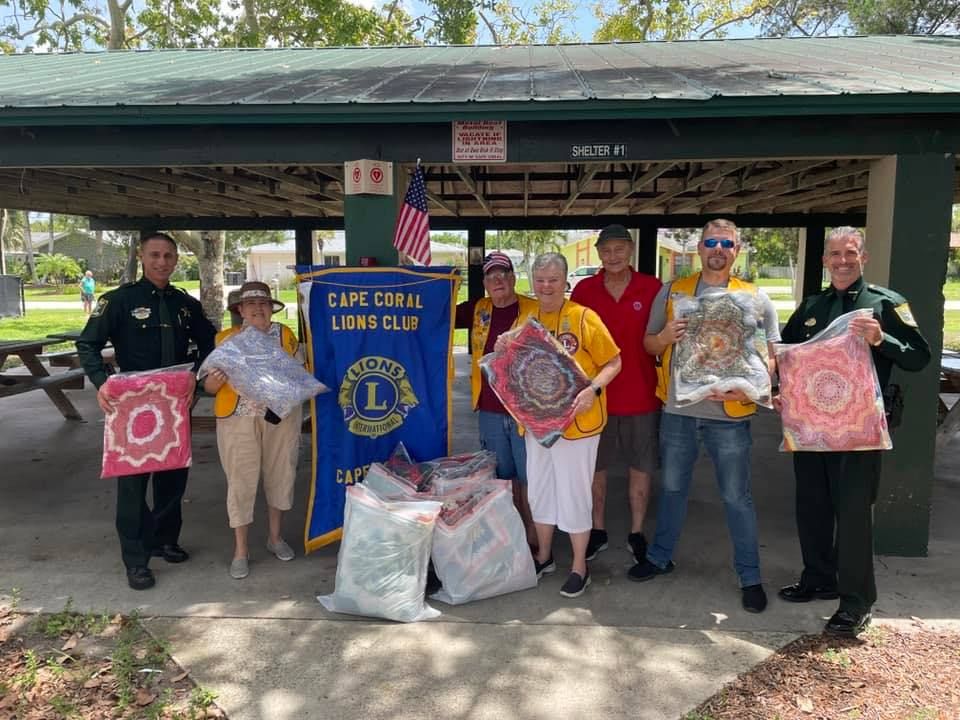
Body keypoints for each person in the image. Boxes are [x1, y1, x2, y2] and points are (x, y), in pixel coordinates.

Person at [776, 226, 930, 636]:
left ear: (863, 257)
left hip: (859, 430)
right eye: (835, 255)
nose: (842, 261)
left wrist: (882, 340)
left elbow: (920, 357)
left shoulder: (884, 304)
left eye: (850, 253)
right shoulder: (811, 306)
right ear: (825, 260)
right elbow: (786, 357)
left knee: (853, 513)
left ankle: (857, 601)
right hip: (810, 428)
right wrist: (780, 392)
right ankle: (818, 578)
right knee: (812, 507)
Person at [637, 219, 778, 613]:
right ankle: (659, 557)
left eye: (726, 243)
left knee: (737, 496)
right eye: (711, 242)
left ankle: (750, 576)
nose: (718, 249)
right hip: (679, 411)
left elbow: (773, 354)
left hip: (730, 414)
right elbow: (648, 344)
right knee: (673, 489)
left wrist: (751, 387)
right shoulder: (673, 292)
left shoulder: (755, 297)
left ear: (737, 249)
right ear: (699, 248)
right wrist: (665, 337)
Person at [76, 232, 216, 591]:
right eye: (155, 255)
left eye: (169, 256)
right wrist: (101, 382)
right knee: (134, 487)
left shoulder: (186, 304)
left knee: (172, 478)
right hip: (133, 405)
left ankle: (164, 540)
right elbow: (88, 344)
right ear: (141, 256)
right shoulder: (119, 301)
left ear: (176, 260)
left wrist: (195, 382)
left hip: (174, 402)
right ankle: (136, 560)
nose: (162, 262)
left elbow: (210, 345)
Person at [523, 252, 621, 598]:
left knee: (574, 494)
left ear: (565, 282)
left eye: (553, 279)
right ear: (533, 282)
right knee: (540, 492)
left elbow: (614, 361)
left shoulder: (583, 318)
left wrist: (593, 389)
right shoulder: (527, 317)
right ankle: (545, 555)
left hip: (577, 426)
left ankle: (580, 565)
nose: (546, 286)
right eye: (540, 279)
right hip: (537, 425)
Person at [571, 224, 662, 567]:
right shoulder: (584, 289)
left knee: (642, 468)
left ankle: (637, 532)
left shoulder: (651, 288)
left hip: (641, 394)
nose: (613, 256)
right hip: (596, 396)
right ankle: (598, 530)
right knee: (597, 470)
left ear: (631, 251)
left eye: (619, 249)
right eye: (606, 250)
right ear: (598, 254)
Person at [202, 281, 302, 580]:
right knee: (241, 480)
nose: (258, 308)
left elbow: (299, 373)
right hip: (237, 418)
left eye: (263, 302)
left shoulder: (285, 336)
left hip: (279, 417)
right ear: (241, 310)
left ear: (272, 307)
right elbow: (208, 386)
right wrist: (217, 380)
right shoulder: (225, 339)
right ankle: (241, 550)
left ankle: (275, 538)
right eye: (251, 303)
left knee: (281, 472)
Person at [455, 251, 539, 548]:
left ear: (513, 278)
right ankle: (511, 533)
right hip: (489, 409)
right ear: (485, 283)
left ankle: (534, 533)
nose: (498, 280)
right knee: (503, 475)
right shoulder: (479, 308)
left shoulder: (534, 308)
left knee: (530, 475)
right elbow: (441, 313)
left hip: (525, 411)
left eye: (503, 274)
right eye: (491, 276)